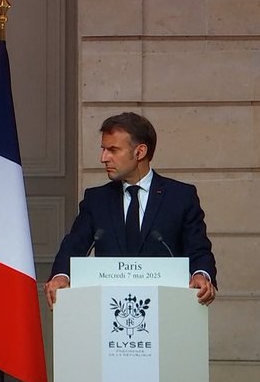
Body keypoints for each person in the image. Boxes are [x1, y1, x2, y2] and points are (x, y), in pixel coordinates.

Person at [44, 112, 216, 308]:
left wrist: (201, 275)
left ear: (140, 152)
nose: (103, 158)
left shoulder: (180, 197)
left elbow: (198, 249)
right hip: (108, 310)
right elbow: (74, 244)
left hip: (167, 311)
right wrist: (61, 275)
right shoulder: (96, 199)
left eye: (113, 150)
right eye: (103, 149)